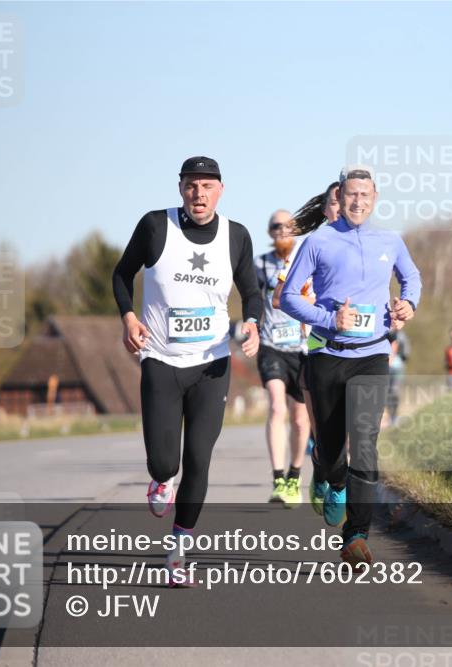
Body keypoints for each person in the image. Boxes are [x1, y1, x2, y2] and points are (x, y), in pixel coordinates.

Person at [112, 156, 262, 583]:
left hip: (211, 366)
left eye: (207, 186)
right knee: (164, 462)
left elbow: (251, 291)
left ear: (221, 189)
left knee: (199, 458)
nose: (199, 194)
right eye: (191, 186)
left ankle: (178, 551)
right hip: (160, 360)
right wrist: (128, 316)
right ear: (180, 189)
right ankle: (161, 480)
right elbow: (122, 274)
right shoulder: (156, 226)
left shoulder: (236, 236)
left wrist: (252, 323)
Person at [281, 165, 422, 568]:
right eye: (351, 194)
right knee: (329, 450)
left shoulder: (390, 241)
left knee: (364, 442)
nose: (358, 201)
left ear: (374, 198)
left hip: (372, 355)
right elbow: (290, 297)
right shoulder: (318, 242)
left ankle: (357, 535)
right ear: (340, 198)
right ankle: (329, 476)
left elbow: (412, 279)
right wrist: (328, 320)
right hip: (327, 355)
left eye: (365, 194)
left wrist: (407, 304)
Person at [274, 182, 340, 515]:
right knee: (320, 428)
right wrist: (309, 302)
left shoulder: (363, 247)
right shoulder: (314, 246)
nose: (343, 207)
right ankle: (321, 469)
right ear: (325, 209)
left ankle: (336, 481)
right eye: (335, 202)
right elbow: (279, 297)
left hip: (354, 351)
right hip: (314, 349)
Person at [255, 209, 311, 508]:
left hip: (302, 349)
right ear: (270, 232)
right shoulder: (260, 264)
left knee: (301, 420)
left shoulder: (306, 260)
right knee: (277, 407)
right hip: (271, 346)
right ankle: (278, 478)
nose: (282, 231)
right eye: (277, 226)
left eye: (288, 226)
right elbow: (250, 299)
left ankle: (294, 474)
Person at [385, 328, 409, 426]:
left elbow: (406, 349)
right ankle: (388, 417)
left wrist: (402, 359)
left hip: (397, 367)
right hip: (384, 367)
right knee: (384, 393)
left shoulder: (401, 334)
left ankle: (394, 417)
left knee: (394, 392)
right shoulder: (382, 332)